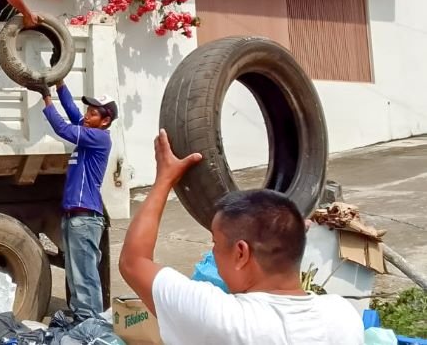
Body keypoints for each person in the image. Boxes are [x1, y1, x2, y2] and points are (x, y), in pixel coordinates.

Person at [118, 130, 364, 345]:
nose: (212, 252)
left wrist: (165, 179)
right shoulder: (343, 316)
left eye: (215, 243)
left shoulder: (219, 319)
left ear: (241, 253)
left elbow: (133, 261)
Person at [29, 80, 118, 321]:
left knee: (85, 275)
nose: (87, 116)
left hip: (85, 218)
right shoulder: (90, 132)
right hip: (74, 217)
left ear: (105, 120)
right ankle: (83, 321)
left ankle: (92, 324)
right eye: (87, 112)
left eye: (93, 113)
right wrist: (60, 84)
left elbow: (63, 128)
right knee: (75, 273)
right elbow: (71, 112)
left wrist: (46, 99)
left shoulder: (98, 138)